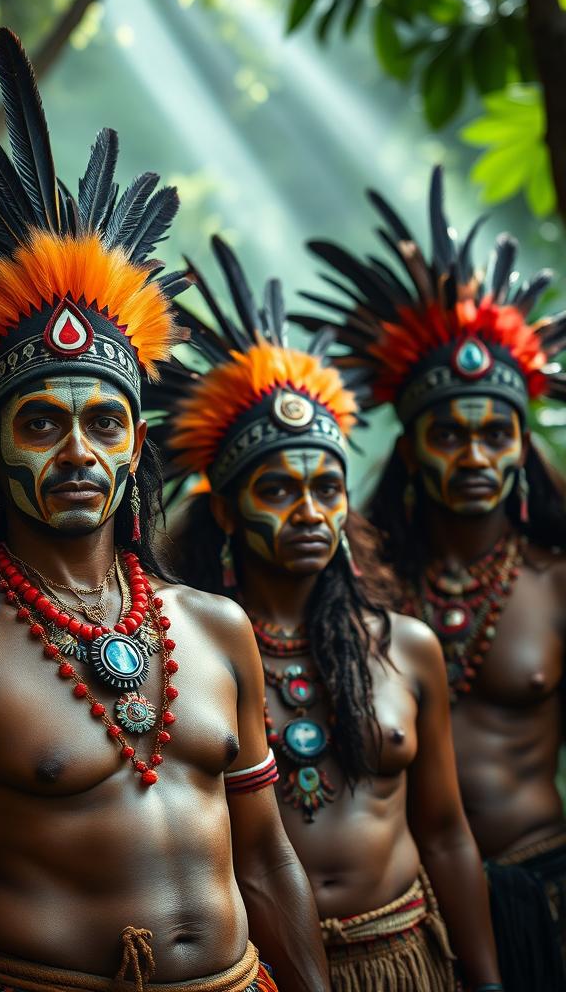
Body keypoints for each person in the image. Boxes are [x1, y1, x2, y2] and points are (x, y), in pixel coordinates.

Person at [0, 26, 330, 992]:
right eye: (43, 424)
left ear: (137, 444)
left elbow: (269, 862)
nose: (78, 452)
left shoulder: (218, 628)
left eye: (106, 421)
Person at [146, 236, 502, 991]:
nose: (309, 511)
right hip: (261, 971)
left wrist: (487, 979)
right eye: (276, 490)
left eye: (326, 488)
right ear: (230, 513)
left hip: (408, 954)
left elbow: (444, 833)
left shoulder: (406, 648)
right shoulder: (190, 659)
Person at [301, 166, 566, 991]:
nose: (476, 456)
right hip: (411, 913)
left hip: (548, 885)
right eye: (449, 434)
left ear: (523, 446)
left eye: (496, 434)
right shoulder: (361, 588)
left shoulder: (556, 581)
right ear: (411, 449)